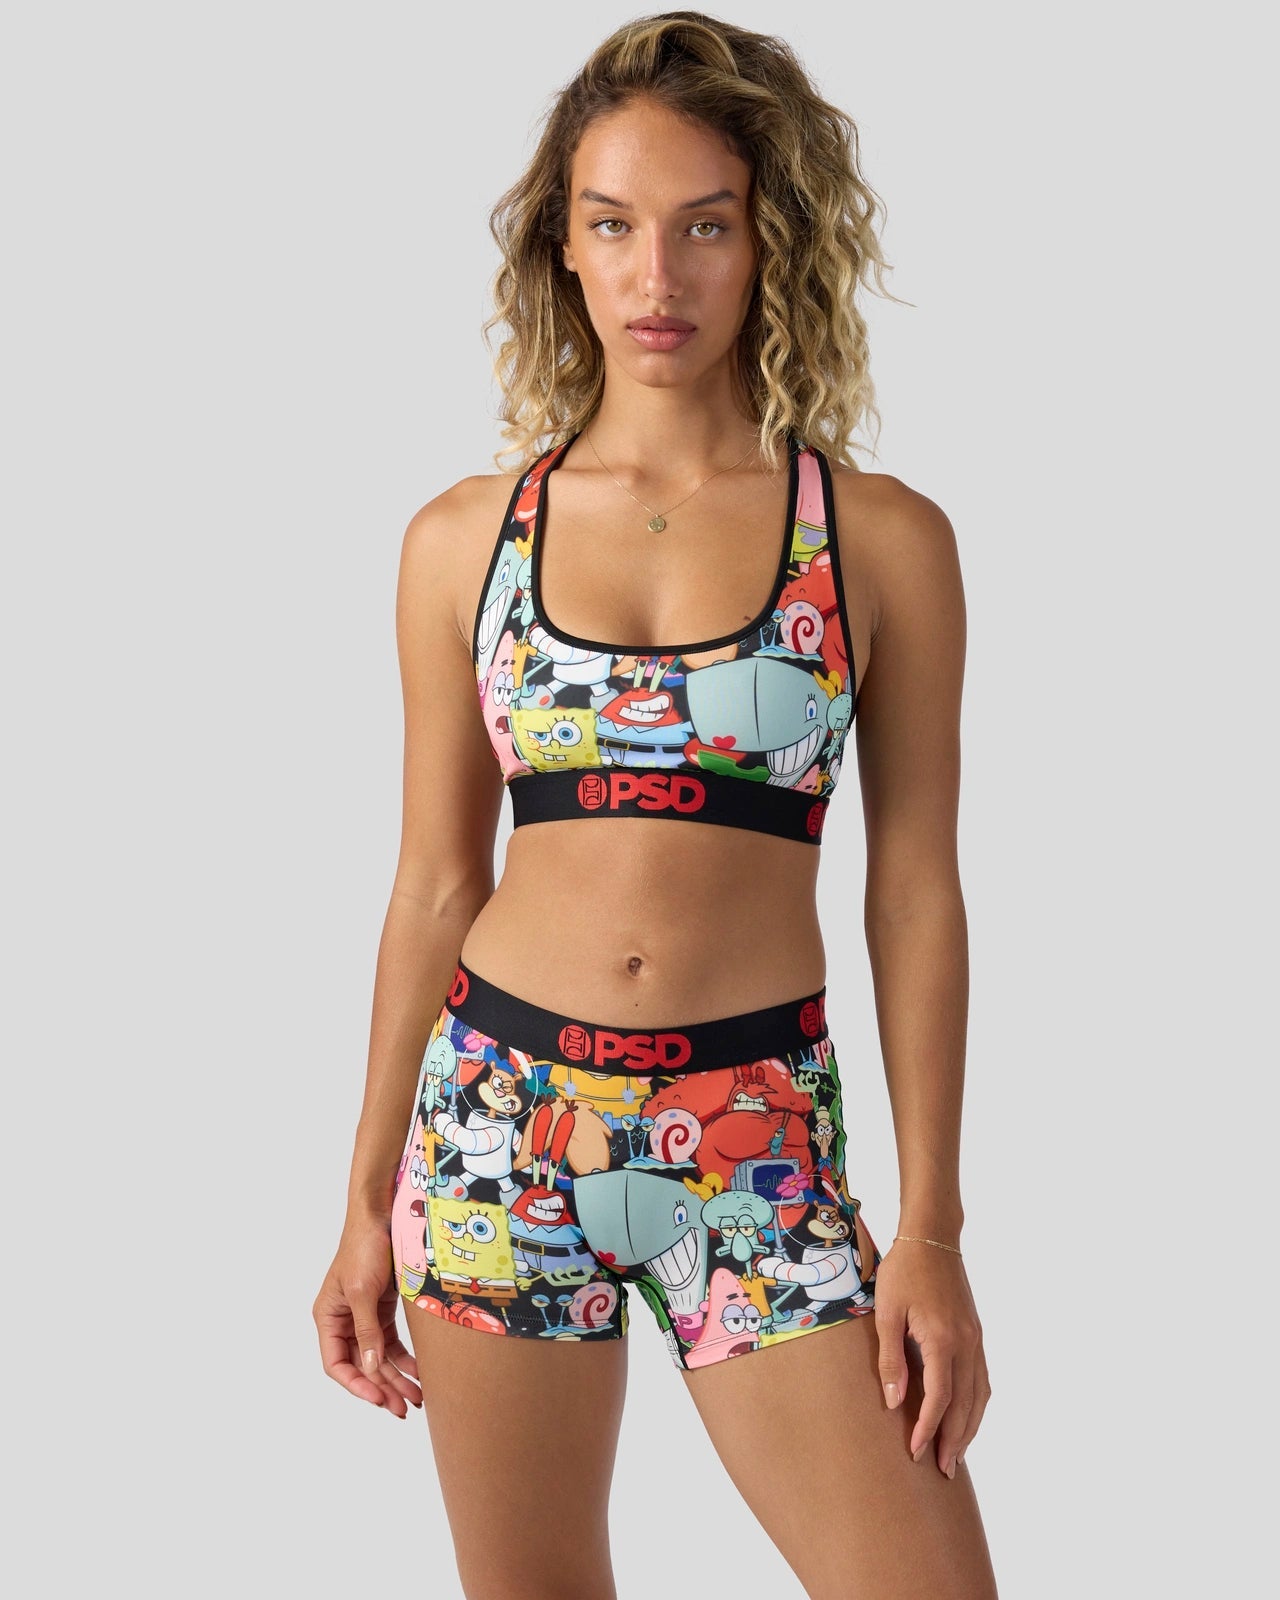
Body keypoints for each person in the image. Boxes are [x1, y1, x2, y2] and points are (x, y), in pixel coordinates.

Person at [313, 12, 998, 1598]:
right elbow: (434, 883)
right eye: (613, 225)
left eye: (705, 226)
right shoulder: (463, 541)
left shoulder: (880, 540)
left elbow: (915, 890)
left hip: (756, 1138)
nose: (656, 277)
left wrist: (933, 1229)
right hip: (498, 1129)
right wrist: (359, 1203)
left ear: (772, 240)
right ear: (560, 245)